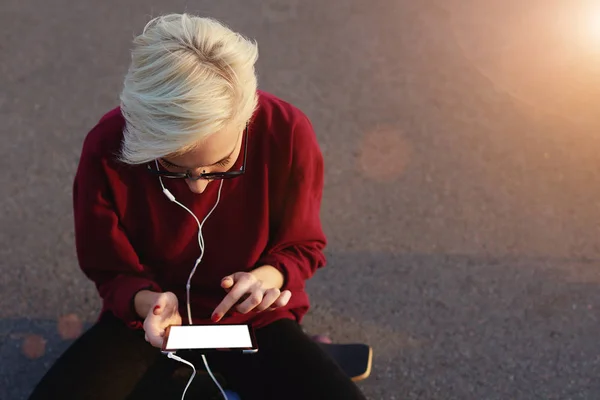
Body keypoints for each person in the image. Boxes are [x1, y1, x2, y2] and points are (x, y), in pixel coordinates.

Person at [28, 13, 367, 400]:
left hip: (254, 320)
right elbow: (108, 268)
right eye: (172, 167)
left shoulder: (286, 132)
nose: (198, 184)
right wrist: (149, 304)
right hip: (146, 325)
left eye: (223, 165)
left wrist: (266, 279)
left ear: (247, 117)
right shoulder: (108, 145)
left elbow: (302, 246)